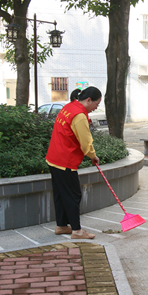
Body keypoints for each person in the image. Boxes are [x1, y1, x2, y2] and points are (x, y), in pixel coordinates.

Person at [45, 87, 102, 239]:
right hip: (65, 160)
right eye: (96, 104)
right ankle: (76, 231)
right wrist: (92, 155)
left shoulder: (69, 107)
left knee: (60, 194)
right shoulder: (79, 115)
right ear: (88, 100)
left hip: (53, 158)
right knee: (73, 195)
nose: (96, 107)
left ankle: (61, 226)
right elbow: (85, 142)